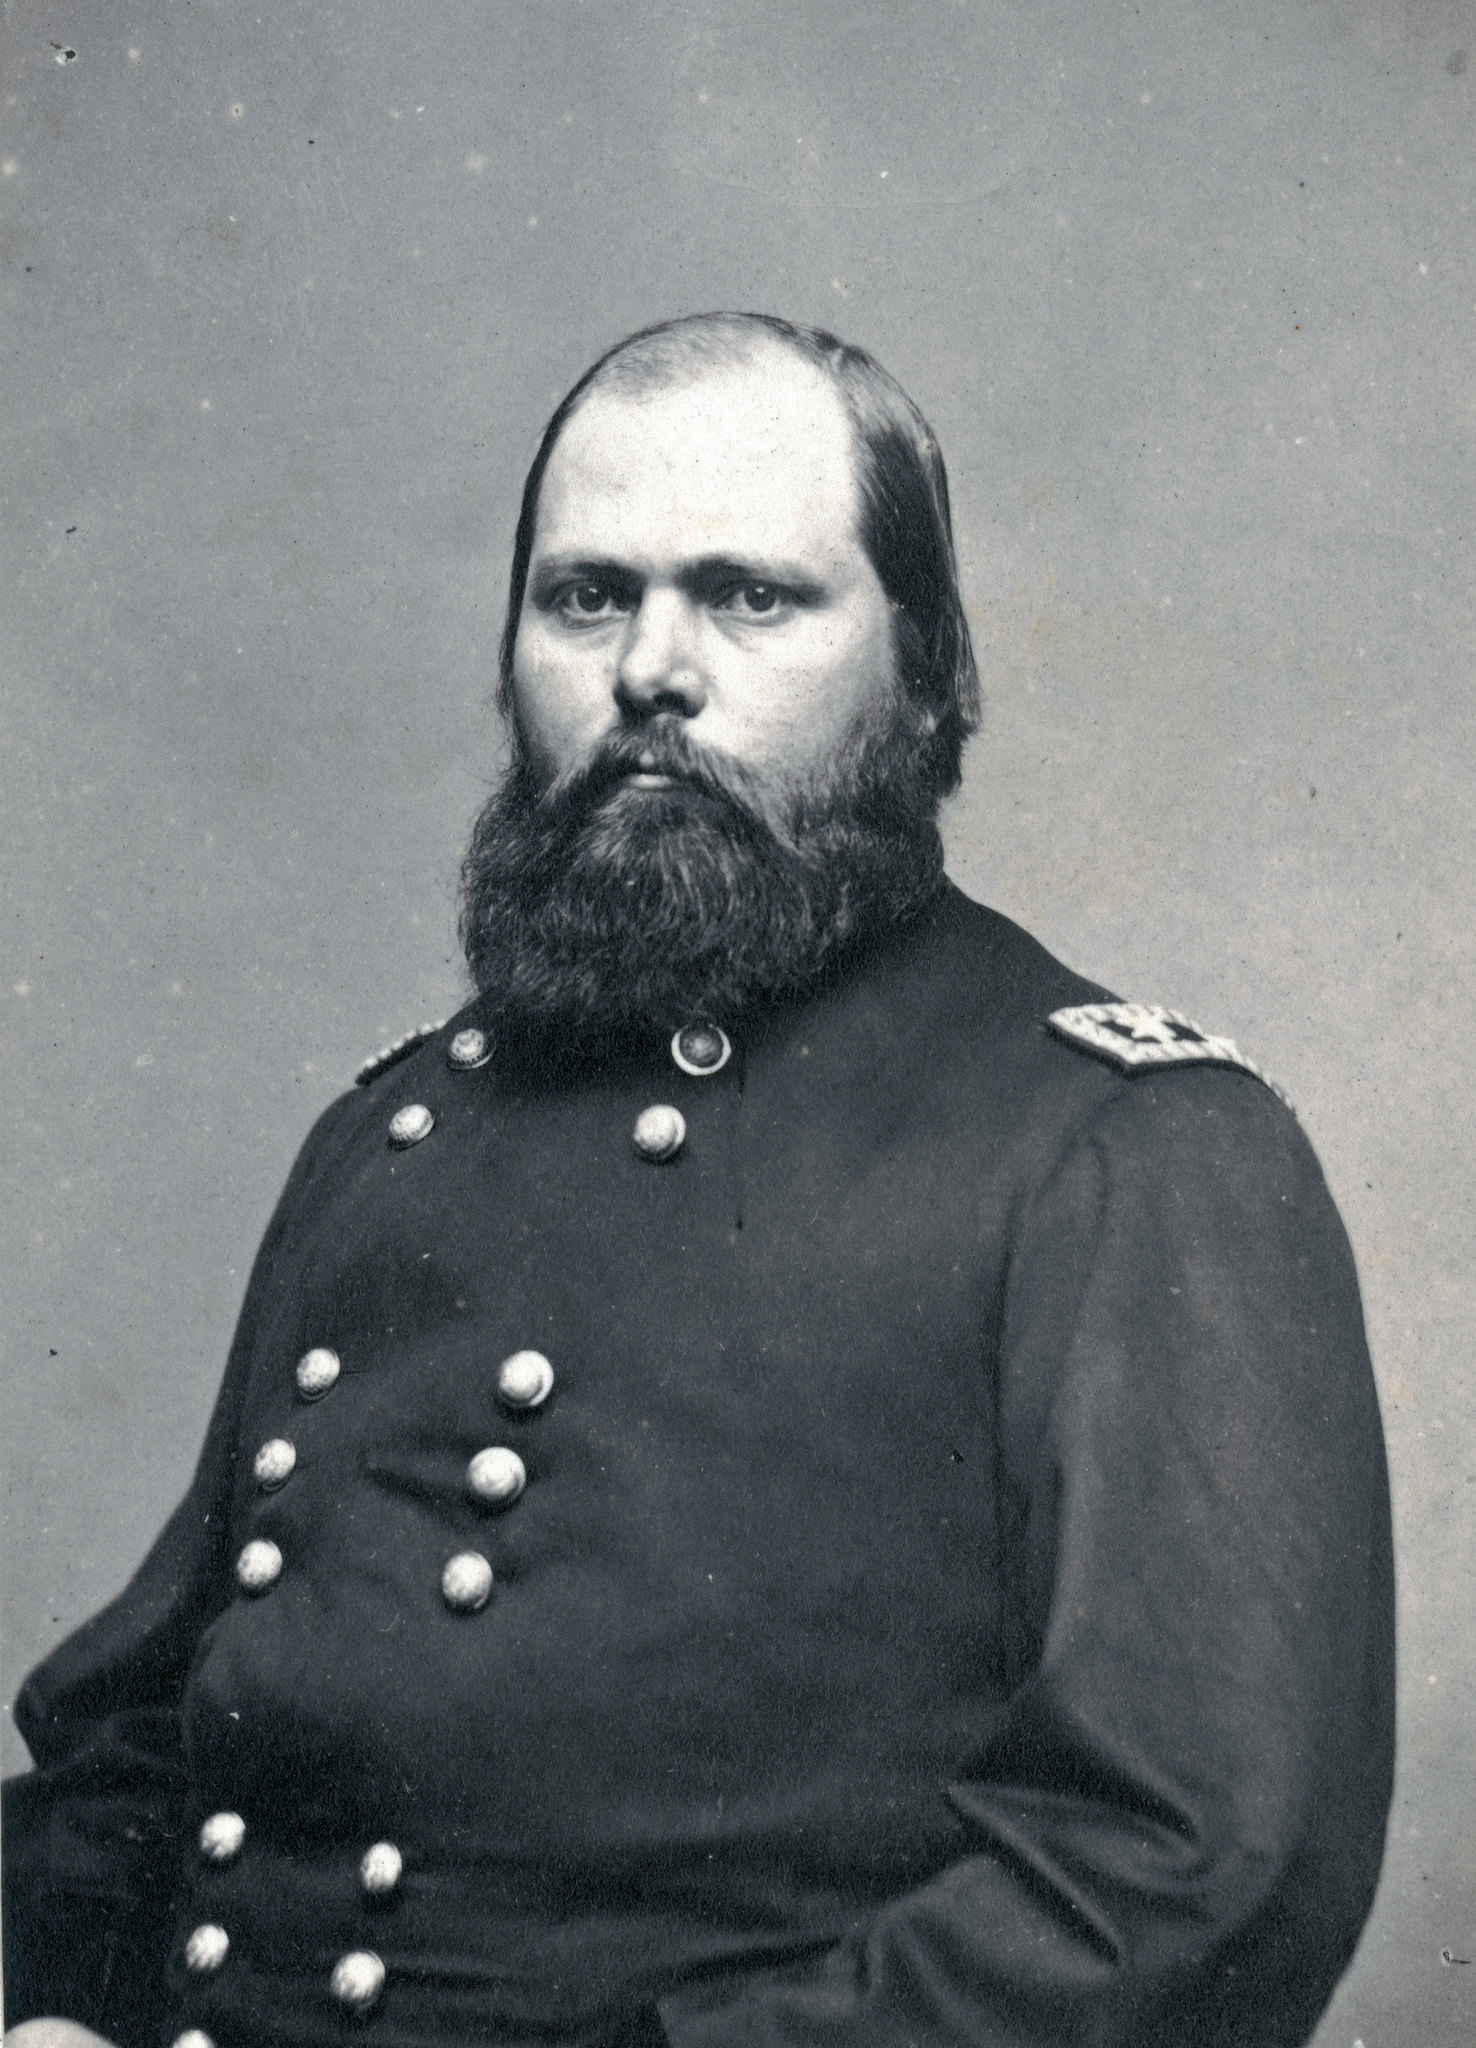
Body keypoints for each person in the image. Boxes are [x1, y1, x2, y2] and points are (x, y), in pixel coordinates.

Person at [3, 314, 1394, 2048]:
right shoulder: (390, 1132)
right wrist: (52, 2007)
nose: (653, 666)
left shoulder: (1125, 1148)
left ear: (932, 669)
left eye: (751, 597)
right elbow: (154, 1730)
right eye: (588, 597)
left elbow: (1192, 1875)